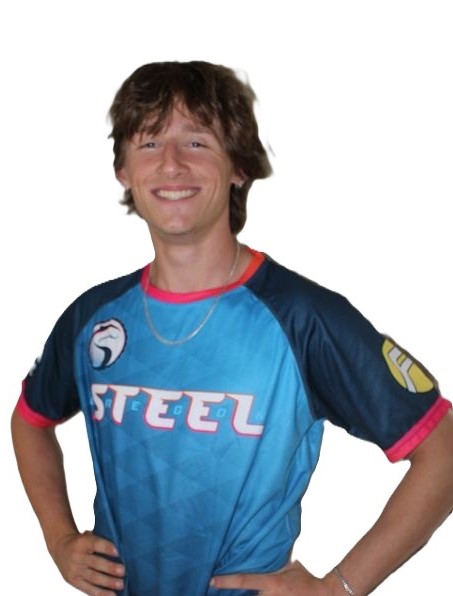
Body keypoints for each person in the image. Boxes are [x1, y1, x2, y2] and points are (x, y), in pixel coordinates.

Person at [11, 61, 453, 596]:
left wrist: (337, 587)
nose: (171, 164)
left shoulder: (301, 318)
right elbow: (30, 421)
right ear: (123, 171)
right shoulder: (92, 317)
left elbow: (443, 450)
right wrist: (59, 539)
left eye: (196, 142)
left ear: (239, 166)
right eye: (149, 143)